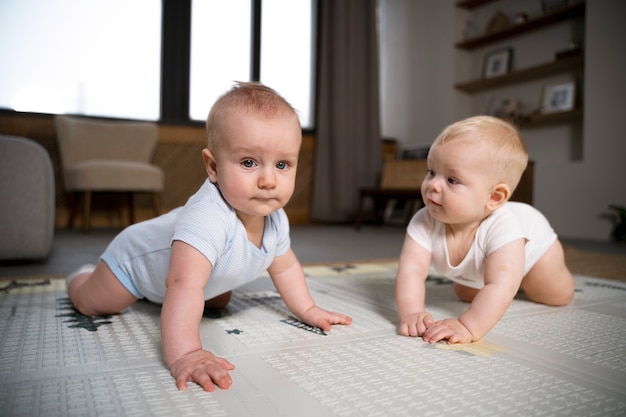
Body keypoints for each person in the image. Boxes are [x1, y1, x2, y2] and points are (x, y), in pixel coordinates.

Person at [66, 82, 352, 392]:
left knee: (218, 300)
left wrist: (308, 309)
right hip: (134, 264)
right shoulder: (208, 217)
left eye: (282, 165)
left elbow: (284, 268)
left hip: (193, 276)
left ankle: (198, 291)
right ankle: (81, 276)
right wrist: (187, 353)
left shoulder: (275, 219)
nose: (268, 180)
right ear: (213, 166)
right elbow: (183, 284)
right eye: (248, 163)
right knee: (96, 302)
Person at [395, 115, 574, 345]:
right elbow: (411, 270)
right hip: (482, 269)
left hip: (535, 252)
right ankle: (503, 275)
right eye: (431, 171)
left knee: (554, 295)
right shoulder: (423, 220)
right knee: (466, 293)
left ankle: (526, 277)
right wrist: (412, 313)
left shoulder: (505, 227)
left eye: (451, 179)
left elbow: (500, 285)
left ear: (494, 197)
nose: (432, 184)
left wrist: (468, 326)